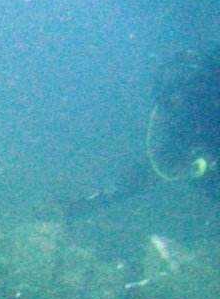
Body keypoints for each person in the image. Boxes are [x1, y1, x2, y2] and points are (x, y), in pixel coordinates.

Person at [68, 42, 220, 214]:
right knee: (162, 166)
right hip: (197, 133)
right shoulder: (201, 92)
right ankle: (85, 204)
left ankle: (88, 203)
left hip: (196, 133)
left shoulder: (200, 83)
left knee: (160, 167)